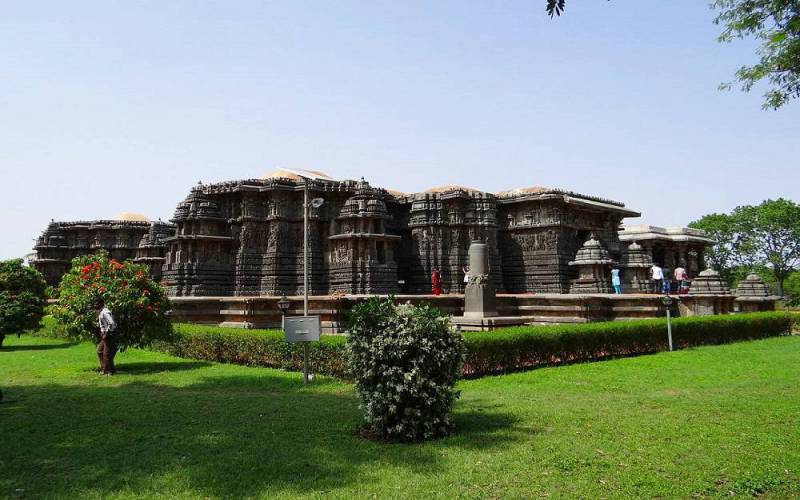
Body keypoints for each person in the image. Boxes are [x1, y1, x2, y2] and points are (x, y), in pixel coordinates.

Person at [97, 299, 117, 375]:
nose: (95, 305)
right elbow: (103, 324)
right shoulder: (101, 312)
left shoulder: (105, 312)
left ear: (101, 303)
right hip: (105, 334)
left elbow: (112, 323)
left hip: (109, 334)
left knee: (106, 354)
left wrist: (106, 333)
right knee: (100, 351)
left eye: (97, 303)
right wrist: (102, 331)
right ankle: (105, 369)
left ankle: (110, 371)